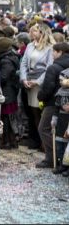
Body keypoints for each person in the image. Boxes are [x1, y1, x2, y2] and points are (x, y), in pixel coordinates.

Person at [20, 23, 55, 152]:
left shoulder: (49, 48)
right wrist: (24, 79)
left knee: (42, 112)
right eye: (31, 31)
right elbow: (23, 63)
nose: (31, 33)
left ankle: (45, 143)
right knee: (33, 112)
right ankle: (37, 140)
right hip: (29, 81)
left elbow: (49, 68)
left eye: (34, 31)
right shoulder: (30, 45)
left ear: (42, 32)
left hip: (41, 82)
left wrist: (37, 82)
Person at [37, 42, 69, 170]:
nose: (53, 54)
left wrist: (40, 96)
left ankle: (52, 158)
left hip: (53, 103)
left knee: (44, 128)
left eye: (54, 52)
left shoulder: (54, 67)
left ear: (59, 52)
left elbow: (48, 87)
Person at [0, 37, 21, 149]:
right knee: (8, 118)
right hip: (10, 91)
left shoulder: (6, 60)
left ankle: (8, 141)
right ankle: (9, 140)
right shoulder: (10, 57)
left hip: (7, 92)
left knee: (6, 118)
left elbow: (3, 77)